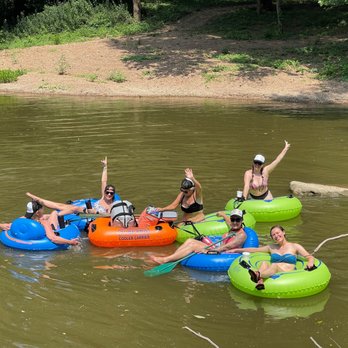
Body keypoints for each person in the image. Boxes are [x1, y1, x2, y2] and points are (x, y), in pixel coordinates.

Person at [230, 225, 315, 291]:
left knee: (274, 265)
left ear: (283, 232)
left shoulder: (295, 246)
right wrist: (237, 250)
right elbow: (255, 249)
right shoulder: (272, 247)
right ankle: (260, 281)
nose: (276, 236)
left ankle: (257, 276)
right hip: (272, 271)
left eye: (278, 233)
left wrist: (310, 262)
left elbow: (309, 257)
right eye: (273, 235)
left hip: (287, 272)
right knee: (264, 263)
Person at [149, 209, 247, 264]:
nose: (234, 222)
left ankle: (165, 260)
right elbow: (228, 221)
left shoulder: (241, 235)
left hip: (222, 253)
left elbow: (227, 247)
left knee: (193, 246)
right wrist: (222, 214)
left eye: (237, 220)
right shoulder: (233, 226)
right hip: (217, 247)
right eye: (233, 219)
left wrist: (209, 250)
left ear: (242, 221)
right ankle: (173, 257)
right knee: (190, 240)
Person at [26, 156, 117, 216]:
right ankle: (35, 198)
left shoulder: (113, 205)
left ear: (113, 194)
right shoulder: (103, 197)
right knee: (59, 205)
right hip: (88, 210)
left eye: (111, 193)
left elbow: (109, 216)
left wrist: (97, 212)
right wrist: (105, 167)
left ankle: (51, 216)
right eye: (107, 192)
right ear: (104, 192)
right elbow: (103, 181)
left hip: (93, 216)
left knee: (74, 208)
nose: (109, 194)